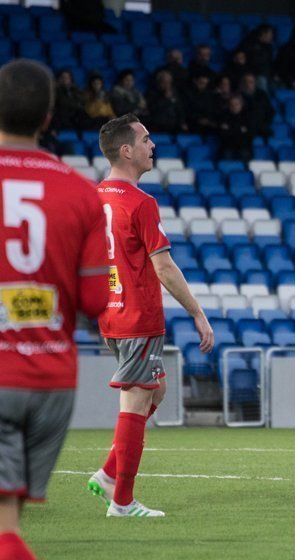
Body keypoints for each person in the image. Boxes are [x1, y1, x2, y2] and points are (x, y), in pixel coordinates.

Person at [0, 58, 109, 560]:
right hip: (49, 380)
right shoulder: (81, 193)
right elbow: (94, 302)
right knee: (8, 521)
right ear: (48, 117)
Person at [87, 114, 214, 517]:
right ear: (127, 150)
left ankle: (108, 474)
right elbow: (164, 267)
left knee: (154, 389)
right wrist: (197, 313)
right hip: (137, 315)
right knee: (137, 400)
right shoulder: (140, 203)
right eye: (145, 139)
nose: (152, 145)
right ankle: (121, 502)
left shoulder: (93, 197)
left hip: (110, 313)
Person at [145, 70, 187, 134]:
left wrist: (182, 122)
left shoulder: (174, 92)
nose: (167, 85)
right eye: (164, 82)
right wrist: (165, 98)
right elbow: (153, 109)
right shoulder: (151, 93)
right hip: (158, 123)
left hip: (174, 123)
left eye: (169, 82)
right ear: (159, 82)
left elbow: (179, 108)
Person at [240, 24, 275, 91]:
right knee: (261, 80)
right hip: (255, 74)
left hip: (267, 75)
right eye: (270, 34)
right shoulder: (250, 44)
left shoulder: (269, 46)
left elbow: (270, 63)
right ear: (263, 34)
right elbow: (252, 62)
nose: (271, 36)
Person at [239, 73, 275, 138]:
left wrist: (264, 124)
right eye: (246, 82)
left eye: (251, 82)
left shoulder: (262, 94)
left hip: (261, 126)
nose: (248, 84)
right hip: (246, 128)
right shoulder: (239, 96)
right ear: (243, 84)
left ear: (255, 83)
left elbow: (270, 111)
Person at [219, 95, 253, 162]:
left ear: (241, 105)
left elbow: (248, 135)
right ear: (229, 106)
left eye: (236, 104)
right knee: (226, 155)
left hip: (243, 146)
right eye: (232, 105)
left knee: (245, 154)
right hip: (228, 146)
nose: (234, 107)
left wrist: (230, 130)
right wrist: (240, 130)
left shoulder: (247, 117)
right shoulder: (224, 117)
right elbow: (223, 135)